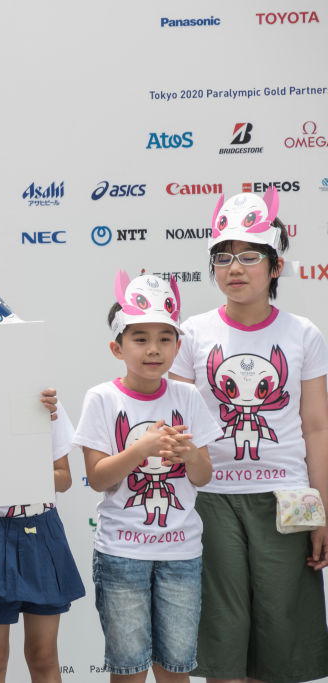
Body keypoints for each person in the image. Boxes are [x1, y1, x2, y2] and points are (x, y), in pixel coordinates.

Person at [168, 188, 328, 683]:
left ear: (276, 266)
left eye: (249, 256)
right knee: (223, 637)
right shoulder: (191, 334)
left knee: (280, 637)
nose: (234, 268)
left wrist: (322, 508)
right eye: (223, 257)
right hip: (211, 498)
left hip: (288, 498)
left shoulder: (303, 333)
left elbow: (316, 425)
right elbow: (175, 424)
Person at [73, 270, 220, 683]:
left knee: (176, 668)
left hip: (181, 553)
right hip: (122, 554)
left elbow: (203, 476)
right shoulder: (102, 398)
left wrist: (190, 455)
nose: (154, 350)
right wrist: (141, 450)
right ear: (117, 347)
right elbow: (98, 478)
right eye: (140, 339)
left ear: (177, 346)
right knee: (129, 668)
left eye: (165, 339)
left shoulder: (187, 396)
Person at [0, 311, 85, 683]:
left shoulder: (44, 402)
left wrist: (16, 472)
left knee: (43, 657)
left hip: (41, 531)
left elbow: (64, 478)